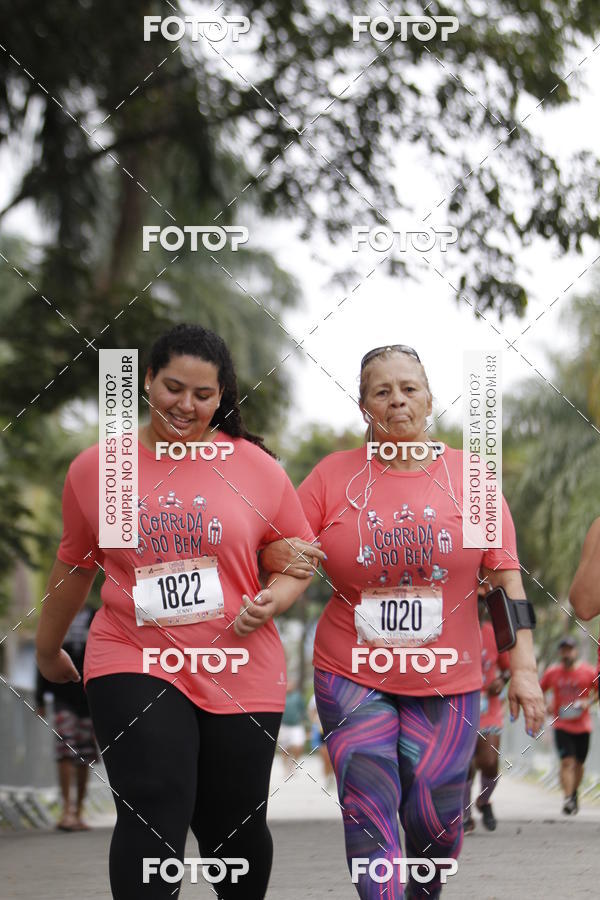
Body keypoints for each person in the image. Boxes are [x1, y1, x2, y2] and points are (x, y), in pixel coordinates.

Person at [35, 324, 314, 900]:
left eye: (203, 394)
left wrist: (275, 599)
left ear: (222, 396)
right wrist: (47, 646)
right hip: (132, 654)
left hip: (238, 662)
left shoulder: (255, 468)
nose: (186, 405)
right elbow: (76, 567)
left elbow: (298, 559)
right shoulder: (102, 468)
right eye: (173, 388)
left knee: (231, 827)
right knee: (153, 805)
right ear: (146, 381)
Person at [261, 344, 544, 899]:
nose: (397, 401)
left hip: (448, 677)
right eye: (382, 391)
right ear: (363, 405)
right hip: (351, 670)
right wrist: (272, 566)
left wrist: (525, 671)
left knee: (435, 821)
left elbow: (505, 582)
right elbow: (282, 548)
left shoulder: (471, 477)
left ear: (430, 400)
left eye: (409, 389)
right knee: (368, 801)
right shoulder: (332, 477)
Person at [35, 604, 98, 831]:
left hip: (88, 696)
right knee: (65, 749)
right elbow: (44, 651)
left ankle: (78, 811)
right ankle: (66, 810)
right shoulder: (58, 612)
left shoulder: (95, 616)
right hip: (62, 695)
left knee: (85, 754)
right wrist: (40, 697)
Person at [462, 597, 510, 833]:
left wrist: (501, 680)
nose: (478, 611)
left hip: (488, 707)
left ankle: (483, 800)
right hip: (460, 706)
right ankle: (465, 814)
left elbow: (508, 668)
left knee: (490, 761)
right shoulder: (453, 632)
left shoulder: (494, 633)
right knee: (465, 765)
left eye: (482, 606)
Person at [539, 637, 597, 815]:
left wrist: (588, 702)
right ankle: (567, 798)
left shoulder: (588, 672)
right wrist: (545, 705)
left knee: (579, 764)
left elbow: (597, 692)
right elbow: (539, 690)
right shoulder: (552, 672)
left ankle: (573, 793)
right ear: (560, 653)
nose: (567, 654)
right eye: (564, 650)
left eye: (570, 650)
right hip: (561, 725)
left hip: (583, 726)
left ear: (575, 652)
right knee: (567, 762)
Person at [308, 693, 335, 789]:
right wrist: (314, 722)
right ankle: (327, 778)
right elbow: (311, 711)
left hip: (335, 728)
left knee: (333, 756)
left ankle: (331, 776)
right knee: (325, 757)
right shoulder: (315, 696)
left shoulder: (337, 694)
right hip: (321, 729)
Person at [279, 682, 307, 775]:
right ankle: (286, 767)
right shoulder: (281, 696)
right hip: (284, 725)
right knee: (284, 748)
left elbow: (303, 710)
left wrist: (307, 723)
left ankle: (293, 763)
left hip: (296, 725)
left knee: (298, 746)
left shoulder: (298, 697)